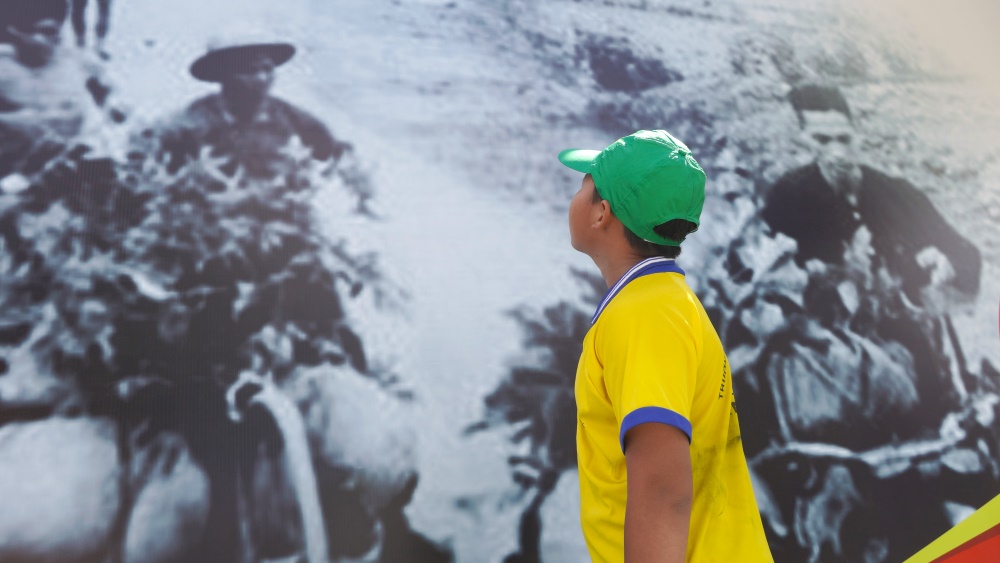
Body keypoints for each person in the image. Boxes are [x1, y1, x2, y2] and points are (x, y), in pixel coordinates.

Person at [558, 130, 773, 562]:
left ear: (602, 213)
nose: (574, 199)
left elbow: (662, 489)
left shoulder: (644, 314)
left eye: (584, 186)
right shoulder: (662, 303)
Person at [150, 30, 350, 179]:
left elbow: (337, 154)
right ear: (224, 75)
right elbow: (162, 173)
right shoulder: (194, 122)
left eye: (267, 69)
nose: (262, 78)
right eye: (249, 71)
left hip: (277, 214)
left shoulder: (290, 117)